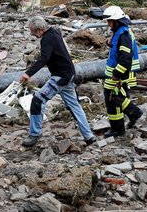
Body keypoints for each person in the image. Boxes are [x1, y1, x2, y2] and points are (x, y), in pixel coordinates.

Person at [20, 16, 96, 147]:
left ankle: (35, 134)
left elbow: (44, 58)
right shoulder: (55, 32)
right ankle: (89, 136)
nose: (32, 34)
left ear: (40, 29)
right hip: (69, 74)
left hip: (60, 77)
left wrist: (28, 73)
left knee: (37, 100)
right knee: (75, 106)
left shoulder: (47, 39)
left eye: (33, 31)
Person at [102, 6, 143, 137]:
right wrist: (109, 42)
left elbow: (125, 59)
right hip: (117, 72)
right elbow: (118, 48)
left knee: (113, 98)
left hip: (119, 73)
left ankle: (122, 124)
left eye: (110, 21)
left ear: (117, 21)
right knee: (115, 98)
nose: (108, 23)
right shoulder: (120, 32)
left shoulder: (123, 35)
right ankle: (127, 120)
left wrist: (116, 74)